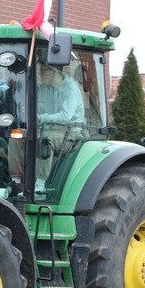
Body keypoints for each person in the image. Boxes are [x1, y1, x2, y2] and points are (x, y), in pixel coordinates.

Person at [34, 63, 84, 192]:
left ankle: (39, 183)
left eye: (42, 72)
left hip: (71, 133)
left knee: (45, 139)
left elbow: (65, 116)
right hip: (48, 129)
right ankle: (16, 180)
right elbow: (37, 110)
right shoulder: (44, 89)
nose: (40, 76)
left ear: (53, 72)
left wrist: (41, 118)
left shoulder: (71, 89)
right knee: (17, 137)